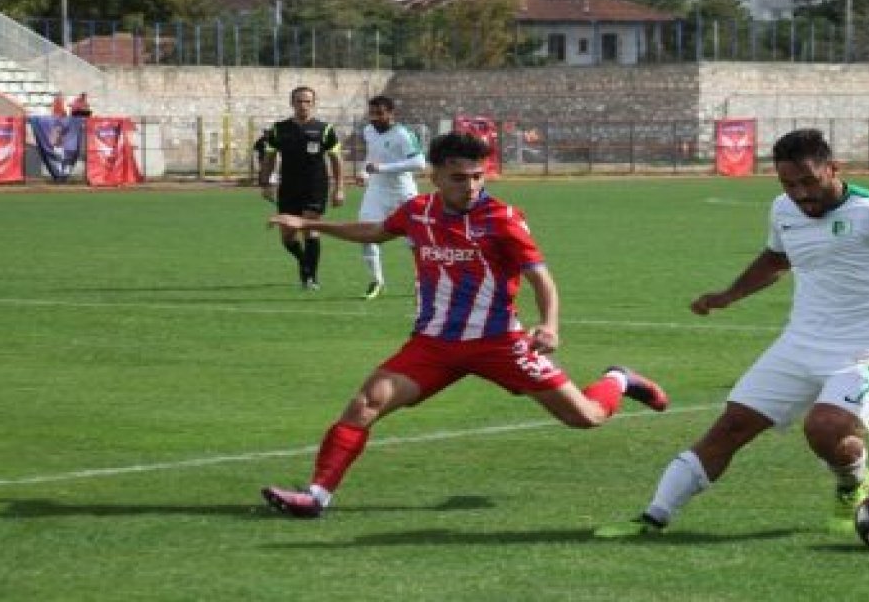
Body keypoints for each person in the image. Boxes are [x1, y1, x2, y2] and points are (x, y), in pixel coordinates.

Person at [260, 132, 670, 519]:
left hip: (500, 344)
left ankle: (618, 379)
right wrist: (311, 225)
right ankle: (316, 496)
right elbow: (376, 231)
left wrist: (549, 324)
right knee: (364, 404)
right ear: (433, 175)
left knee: (586, 417)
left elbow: (540, 278)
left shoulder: (503, 219)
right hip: (433, 345)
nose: (470, 185)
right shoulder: (418, 211)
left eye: (477, 176)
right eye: (458, 177)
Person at [595, 128, 869, 539]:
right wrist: (729, 295)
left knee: (824, 428)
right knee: (730, 428)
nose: (800, 194)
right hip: (799, 344)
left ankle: (852, 482)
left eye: (809, 182)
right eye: (789, 184)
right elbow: (776, 259)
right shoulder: (784, 209)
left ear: (834, 169)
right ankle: (653, 518)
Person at [258, 86, 345, 290]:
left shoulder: (325, 129)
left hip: (315, 185)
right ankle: (304, 262)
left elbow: (336, 160)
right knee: (287, 235)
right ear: (292, 103)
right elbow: (270, 158)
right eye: (299, 101)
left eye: (307, 101)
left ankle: (310, 277)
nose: (303, 105)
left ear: (314, 104)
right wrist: (265, 183)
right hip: (288, 187)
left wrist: (339, 188)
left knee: (309, 228)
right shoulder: (279, 129)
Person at [357, 95, 426, 300]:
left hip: (402, 192)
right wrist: (365, 173)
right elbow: (371, 158)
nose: (375, 117)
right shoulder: (368, 131)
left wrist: (382, 168)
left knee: (415, 240)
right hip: (376, 191)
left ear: (390, 114)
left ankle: (422, 280)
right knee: (366, 234)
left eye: (380, 113)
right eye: (372, 113)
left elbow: (419, 163)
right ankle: (376, 281)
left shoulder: (403, 134)